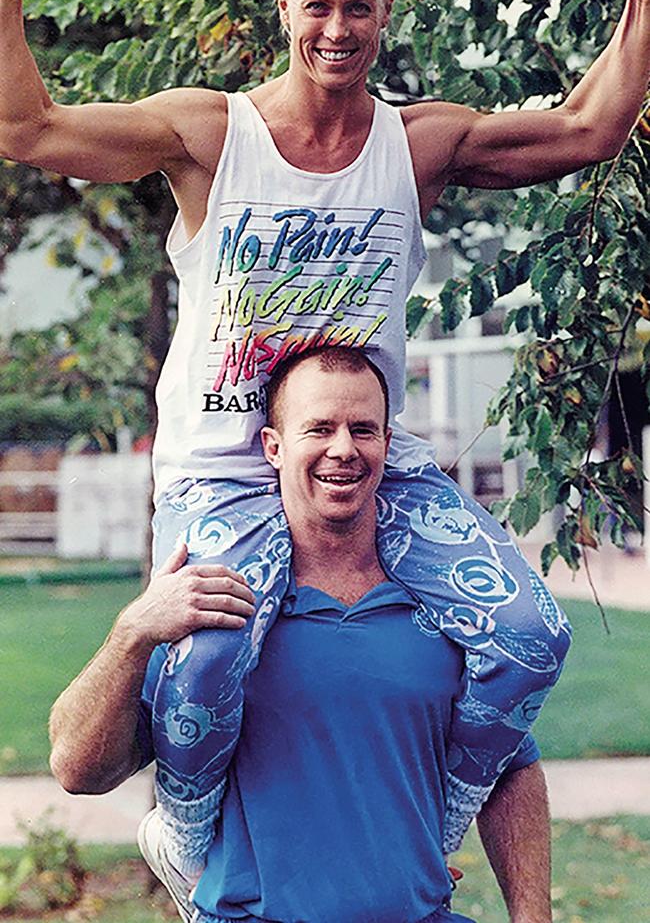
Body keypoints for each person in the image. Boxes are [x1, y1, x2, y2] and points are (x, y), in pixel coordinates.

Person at [2, 0, 647, 877]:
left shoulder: (417, 143)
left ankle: (433, 822)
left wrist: (644, 1)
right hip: (223, 470)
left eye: (357, 7)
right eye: (317, 5)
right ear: (284, 12)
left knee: (526, 633)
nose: (336, 28)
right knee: (211, 665)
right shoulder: (209, 134)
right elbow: (28, 129)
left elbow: (588, 128)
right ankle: (182, 832)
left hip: (361, 457)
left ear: (385, 15)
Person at [50, 348, 555, 923]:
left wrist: (532, 916)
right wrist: (131, 633)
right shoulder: (215, 608)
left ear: (388, 444)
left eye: (362, 429)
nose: (343, 448)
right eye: (319, 428)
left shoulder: (448, 609)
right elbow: (77, 769)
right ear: (273, 446)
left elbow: (511, 764)